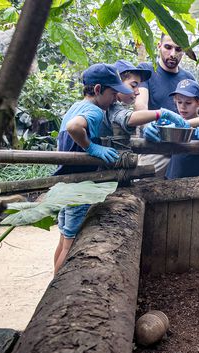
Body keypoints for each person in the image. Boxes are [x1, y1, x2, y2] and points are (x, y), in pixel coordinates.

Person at [53, 63, 133, 274]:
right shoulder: (95, 111)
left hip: (65, 183)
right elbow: (73, 128)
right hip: (78, 187)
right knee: (71, 244)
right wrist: (91, 147)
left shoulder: (75, 106)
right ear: (98, 89)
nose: (115, 98)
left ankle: (52, 285)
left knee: (64, 237)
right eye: (113, 93)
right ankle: (57, 288)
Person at [135, 34, 196, 177]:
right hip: (154, 146)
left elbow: (196, 110)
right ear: (159, 46)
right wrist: (146, 126)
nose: (173, 54)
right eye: (168, 47)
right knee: (144, 187)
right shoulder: (146, 70)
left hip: (182, 148)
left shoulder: (189, 79)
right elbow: (140, 105)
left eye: (178, 49)